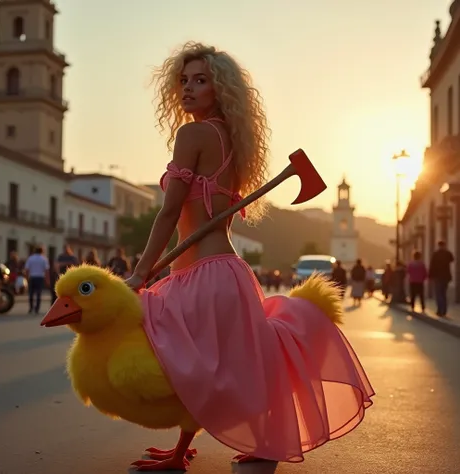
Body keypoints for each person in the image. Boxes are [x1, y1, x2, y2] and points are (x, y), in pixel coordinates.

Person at [125, 42, 374, 467]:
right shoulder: (232, 142)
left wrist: (141, 272)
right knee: (209, 366)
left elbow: (169, 212)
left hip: (201, 273)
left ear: (219, 88)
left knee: (190, 364)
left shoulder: (192, 135)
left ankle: (251, 443)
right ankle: (191, 449)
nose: (188, 88)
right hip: (227, 272)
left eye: (200, 80)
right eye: (183, 80)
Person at [429, 240, 454, 317]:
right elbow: (452, 259)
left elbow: (432, 265)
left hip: (437, 277)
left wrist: (431, 276)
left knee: (439, 294)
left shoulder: (436, 254)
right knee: (443, 294)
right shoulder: (447, 253)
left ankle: (440, 310)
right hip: (445, 276)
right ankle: (444, 310)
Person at [24, 246, 50, 314]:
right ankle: (37, 308)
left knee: (31, 293)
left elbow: (27, 269)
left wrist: (26, 278)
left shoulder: (30, 258)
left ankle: (31, 307)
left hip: (32, 277)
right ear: (42, 251)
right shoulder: (44, 259)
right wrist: (47, 280)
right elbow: (46, 270)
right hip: (40, 277)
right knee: (39, 293)